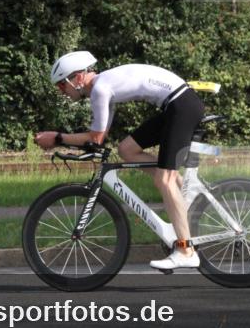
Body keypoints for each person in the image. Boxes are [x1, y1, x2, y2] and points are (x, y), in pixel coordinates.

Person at [34, 51, 206, 270]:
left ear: (76, 78)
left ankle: (185, 250)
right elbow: (99, 137)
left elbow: (95, 138)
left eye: (61, 85)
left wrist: (57, 138)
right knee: (127, 149)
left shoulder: (100, 89)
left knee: (164, 181)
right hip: (178, 104)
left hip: (181, 106)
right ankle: (181, 189)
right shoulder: (104, 86)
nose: (62, 92)